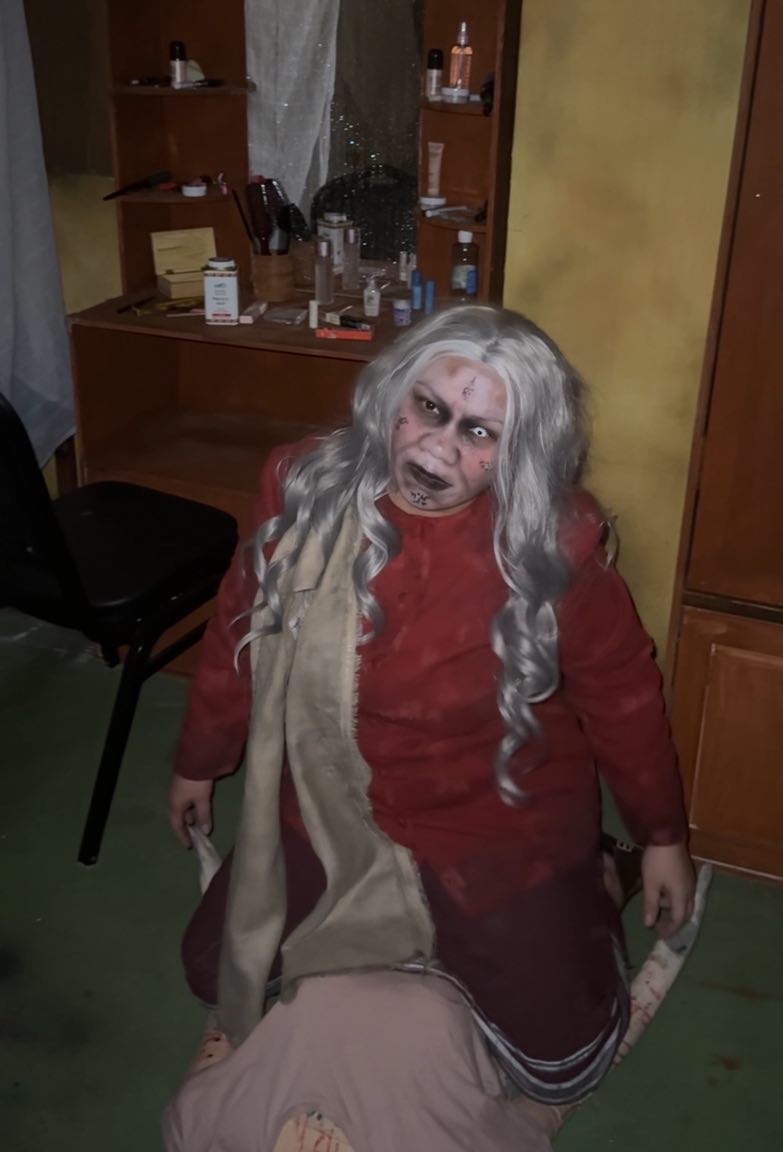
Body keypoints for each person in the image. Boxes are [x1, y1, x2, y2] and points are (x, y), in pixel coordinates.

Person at [164, 305, 694, 1150]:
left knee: (559, 1062)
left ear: (520, 451)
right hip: (328, 801)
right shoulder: (304, 487)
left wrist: (661, 835)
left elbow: (623, 696)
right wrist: (200, 759)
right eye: (430, 409)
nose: (437, 450)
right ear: (392, 395)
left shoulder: (554, 546)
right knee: (216, 970)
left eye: (479, 432)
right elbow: (241, 633)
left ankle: (597, 879)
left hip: (493, 828)